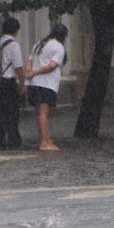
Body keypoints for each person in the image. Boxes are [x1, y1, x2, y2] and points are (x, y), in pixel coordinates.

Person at [25, 23, 68, 151]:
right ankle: (43, 142)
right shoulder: (59, 47)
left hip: (35, 83)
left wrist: (30, 72)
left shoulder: (39, 44)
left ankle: (46, 140)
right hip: (47, 84)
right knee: (43, 113)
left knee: (41, 113)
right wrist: (35, 72)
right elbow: (52, 66)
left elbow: (29, 61)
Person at [0, 17, 25, 149]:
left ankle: (0, 138)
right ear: (16, 31)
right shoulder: (14, 45)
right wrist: (23, 82)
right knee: (12, 112)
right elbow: (18, 67)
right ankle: (13, 139)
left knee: (2, 111)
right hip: (9, 81)